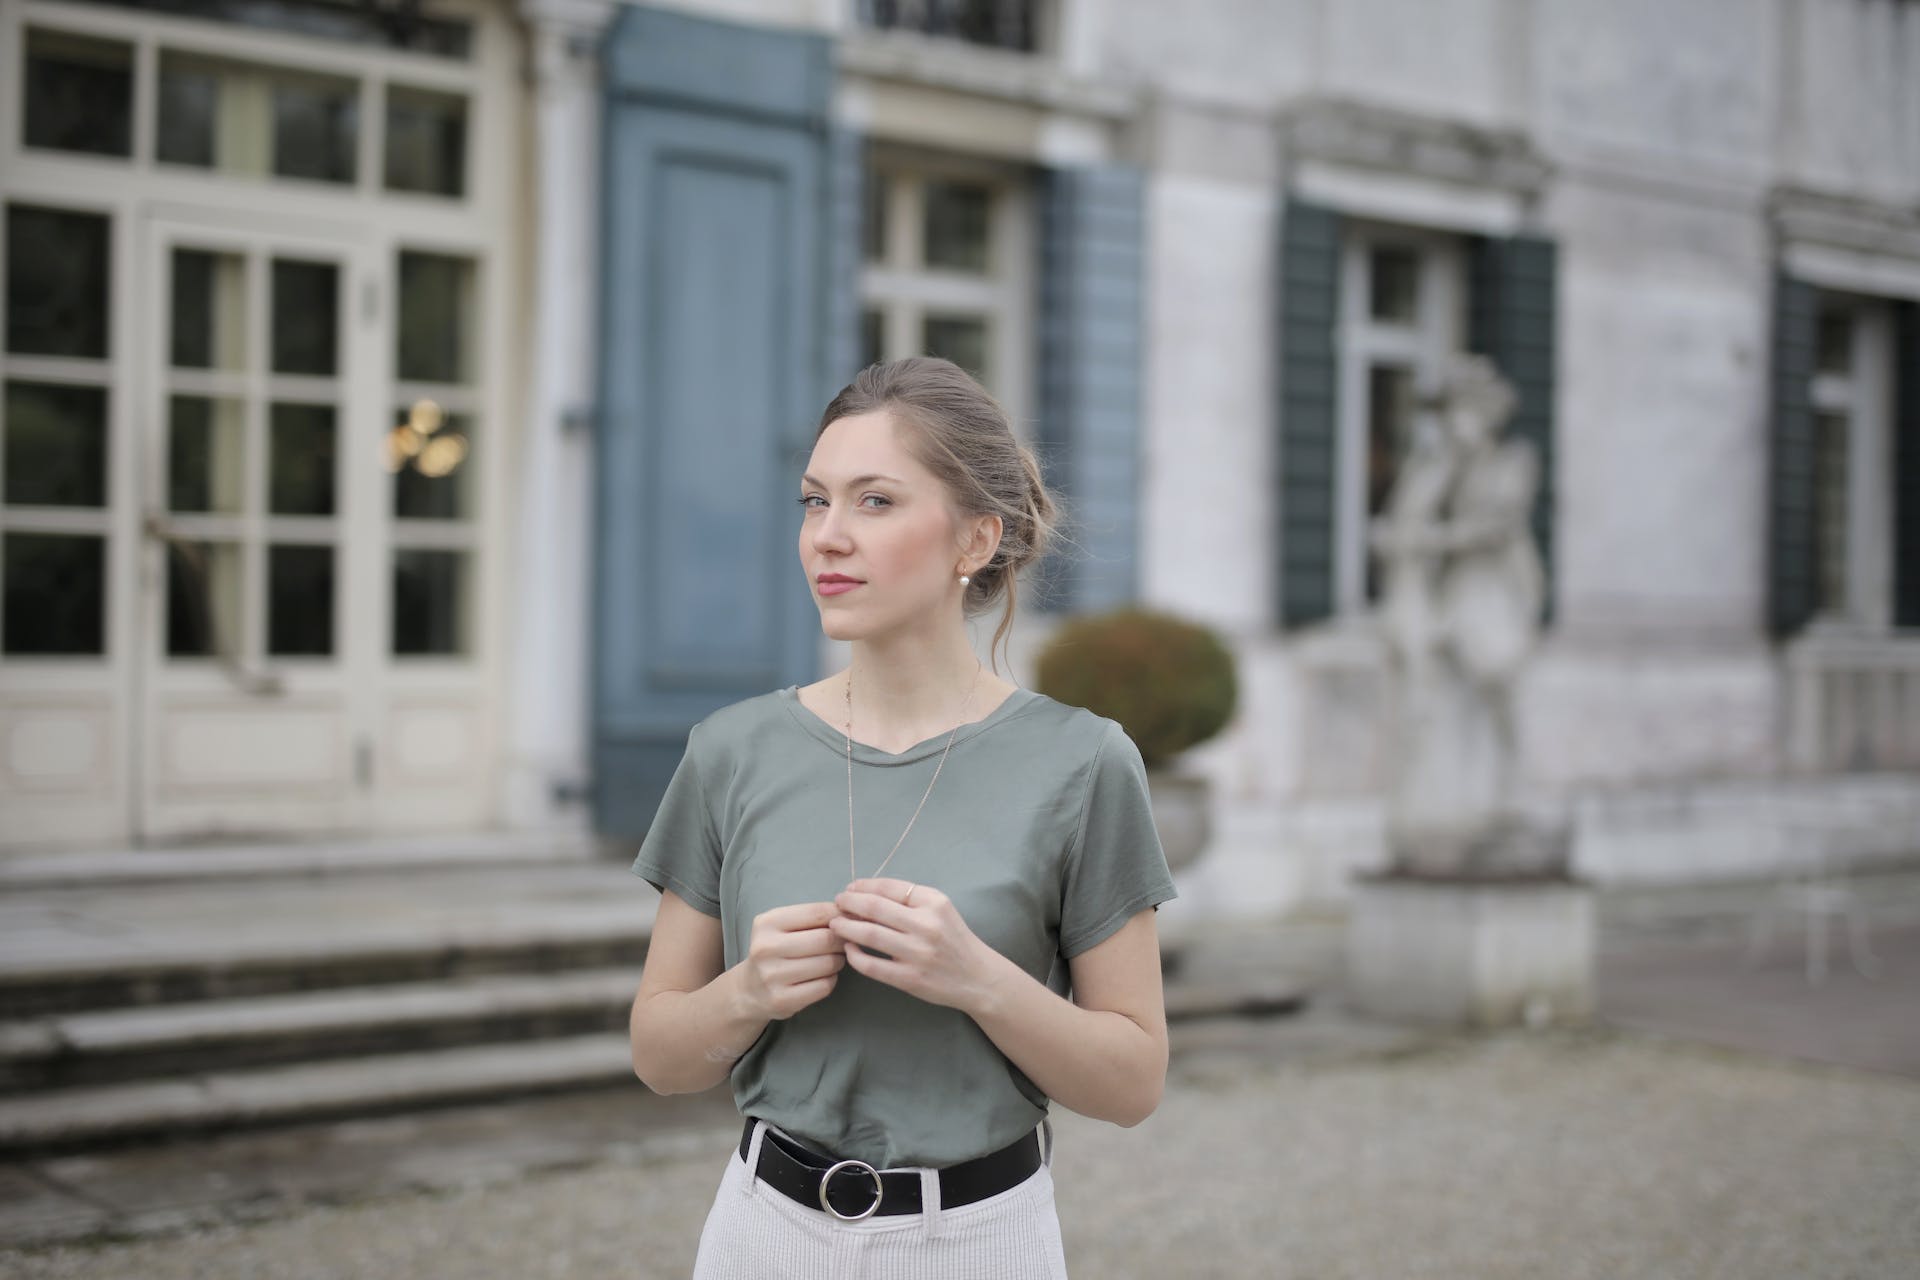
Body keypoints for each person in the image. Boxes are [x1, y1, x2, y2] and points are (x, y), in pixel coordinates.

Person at [628, 355, 1178, 1278]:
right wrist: (749, 991)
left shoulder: (1083, 763)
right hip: (765, 1237)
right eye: (814, 501)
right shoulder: (730, 751)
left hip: (980, 1241)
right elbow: (660, 1054)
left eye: (874, 502)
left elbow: (1133, 1084)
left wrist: (978, 980)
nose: (827, 537)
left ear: (974, 543)